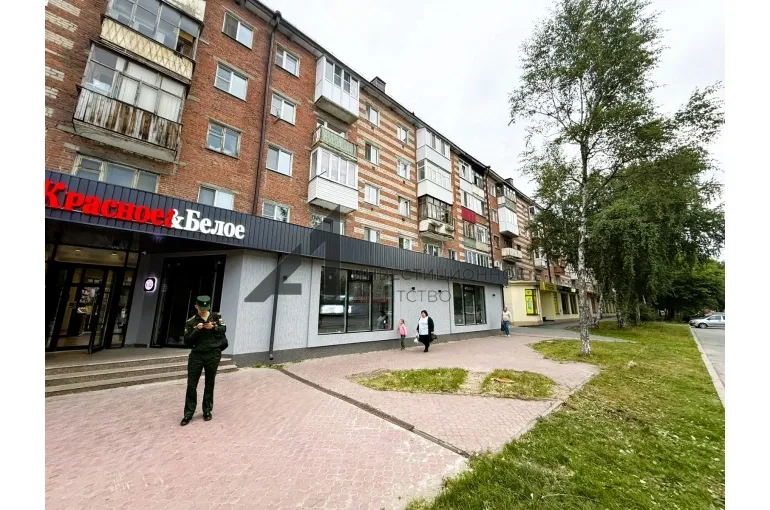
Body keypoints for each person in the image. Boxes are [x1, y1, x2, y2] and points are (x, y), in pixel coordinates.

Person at [180, 296, 227, 426]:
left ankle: (207, 410)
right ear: (196, 306)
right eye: (201, 308)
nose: (204, 310)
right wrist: (196, 330)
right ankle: (188, 413)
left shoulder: (216, 317)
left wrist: (213, 327)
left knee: (210, 382)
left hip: (213, 354)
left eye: (206, 308)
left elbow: (223, 329)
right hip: (197, 355)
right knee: (191, 384)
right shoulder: (191, 321)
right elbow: (187, 340)